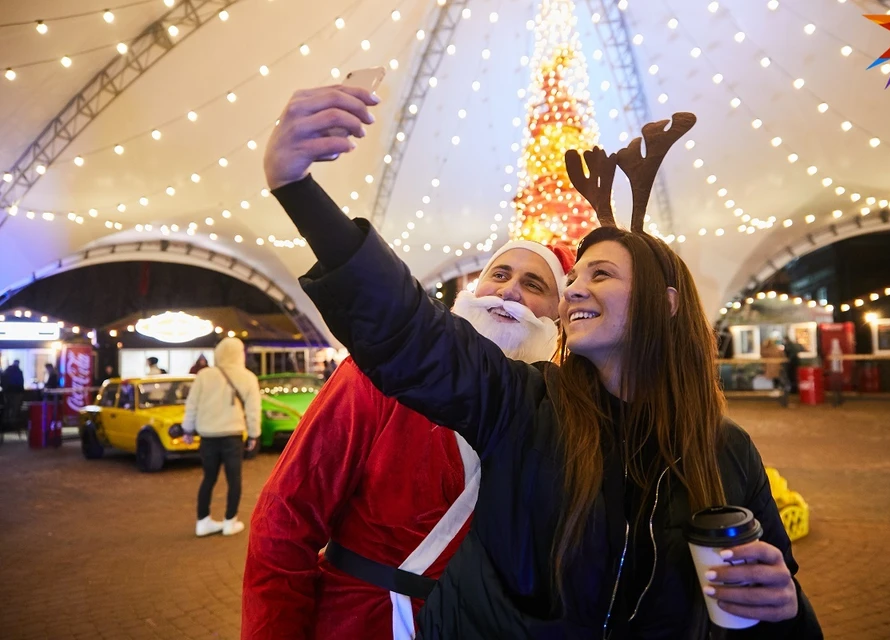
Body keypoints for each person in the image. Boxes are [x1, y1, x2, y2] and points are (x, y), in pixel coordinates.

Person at [262, 85, 821, 638]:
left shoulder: (727, 450)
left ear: (666, 303)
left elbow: (775, 601)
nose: (574, 290)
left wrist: (782, 601)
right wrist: (298, 191)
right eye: (573, 279)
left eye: (599, 275)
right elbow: (412, 333)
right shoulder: (525, 405)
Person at [242, 239, 572, 639]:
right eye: (499, 274)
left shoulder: (561, 416)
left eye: (534, 285)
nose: (508, 292)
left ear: (558, 318)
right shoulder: (377, 375)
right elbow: (285, 519)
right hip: (357, 621)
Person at [183, 337, 262, 537]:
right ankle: (230, 521)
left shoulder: (204, 375)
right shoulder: (248, 377)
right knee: (234, 479)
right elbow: (253, 410)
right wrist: (254, 434)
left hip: (208, 435)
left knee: (208, 478)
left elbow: (192, 404)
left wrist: (188, 429)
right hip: (233, 435)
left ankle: (202, 521)